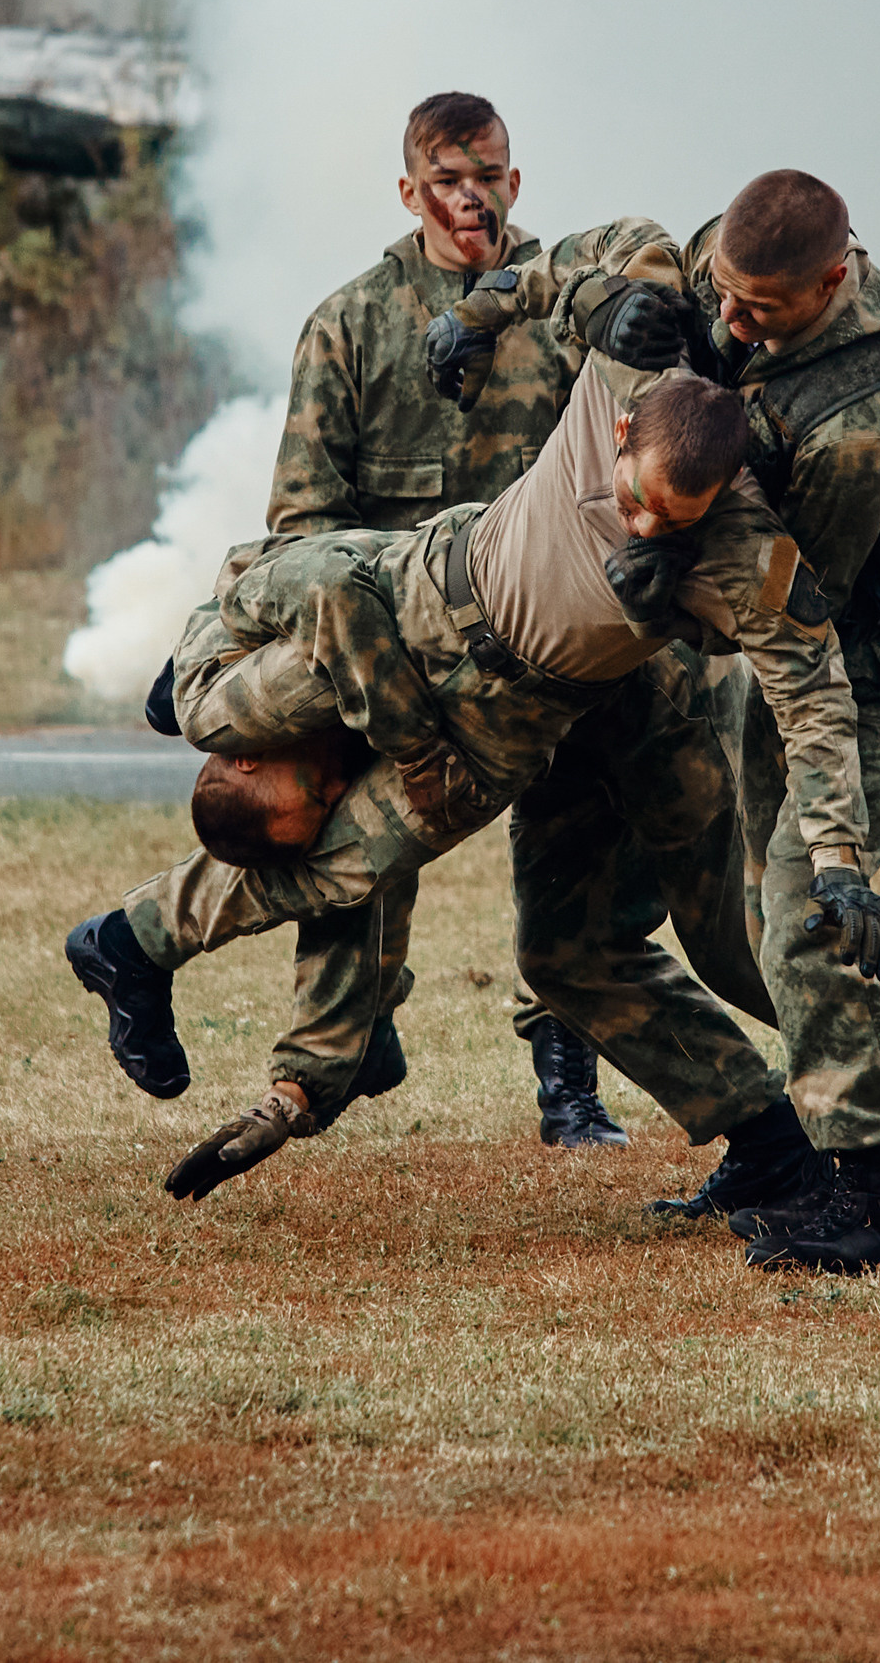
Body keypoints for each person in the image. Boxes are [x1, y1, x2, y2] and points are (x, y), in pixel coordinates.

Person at [72, 352, 875, 1265]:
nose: (643, 523)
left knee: (730, 940)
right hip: (436, 640)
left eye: (671, 516)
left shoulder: (740, 549)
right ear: (621, 435)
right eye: (638, 497)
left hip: (593, 718)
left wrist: (840, 859)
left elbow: (814, 695)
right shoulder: (609, 375)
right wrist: (312, 1077)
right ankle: (134, 932)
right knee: (375, 861)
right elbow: (314, 567)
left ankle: (879, 1034)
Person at [440, 172, 880, 1271]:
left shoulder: (862, 418)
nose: (733, 322)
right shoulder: (726, 268)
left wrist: (844, 860)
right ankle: (846, 1069)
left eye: (760, 312)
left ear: (835, 278)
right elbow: (609, 252)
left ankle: (879, 1201)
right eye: (725, 297)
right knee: (755, 914)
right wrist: (515, 312)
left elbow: (796, 620)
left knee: (807, 904)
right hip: (787, 620)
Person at [261, 91, 694, 1147]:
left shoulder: (566, 311)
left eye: (489, 176)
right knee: (343, 821)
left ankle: (567, 1074)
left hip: (558, 640)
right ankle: (355, 1034)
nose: (473, 199)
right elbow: (304, 524)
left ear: (515, 180)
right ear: (409, 193)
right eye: (447, 182)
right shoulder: (351, 326)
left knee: (586, 850)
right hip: (409, 649)